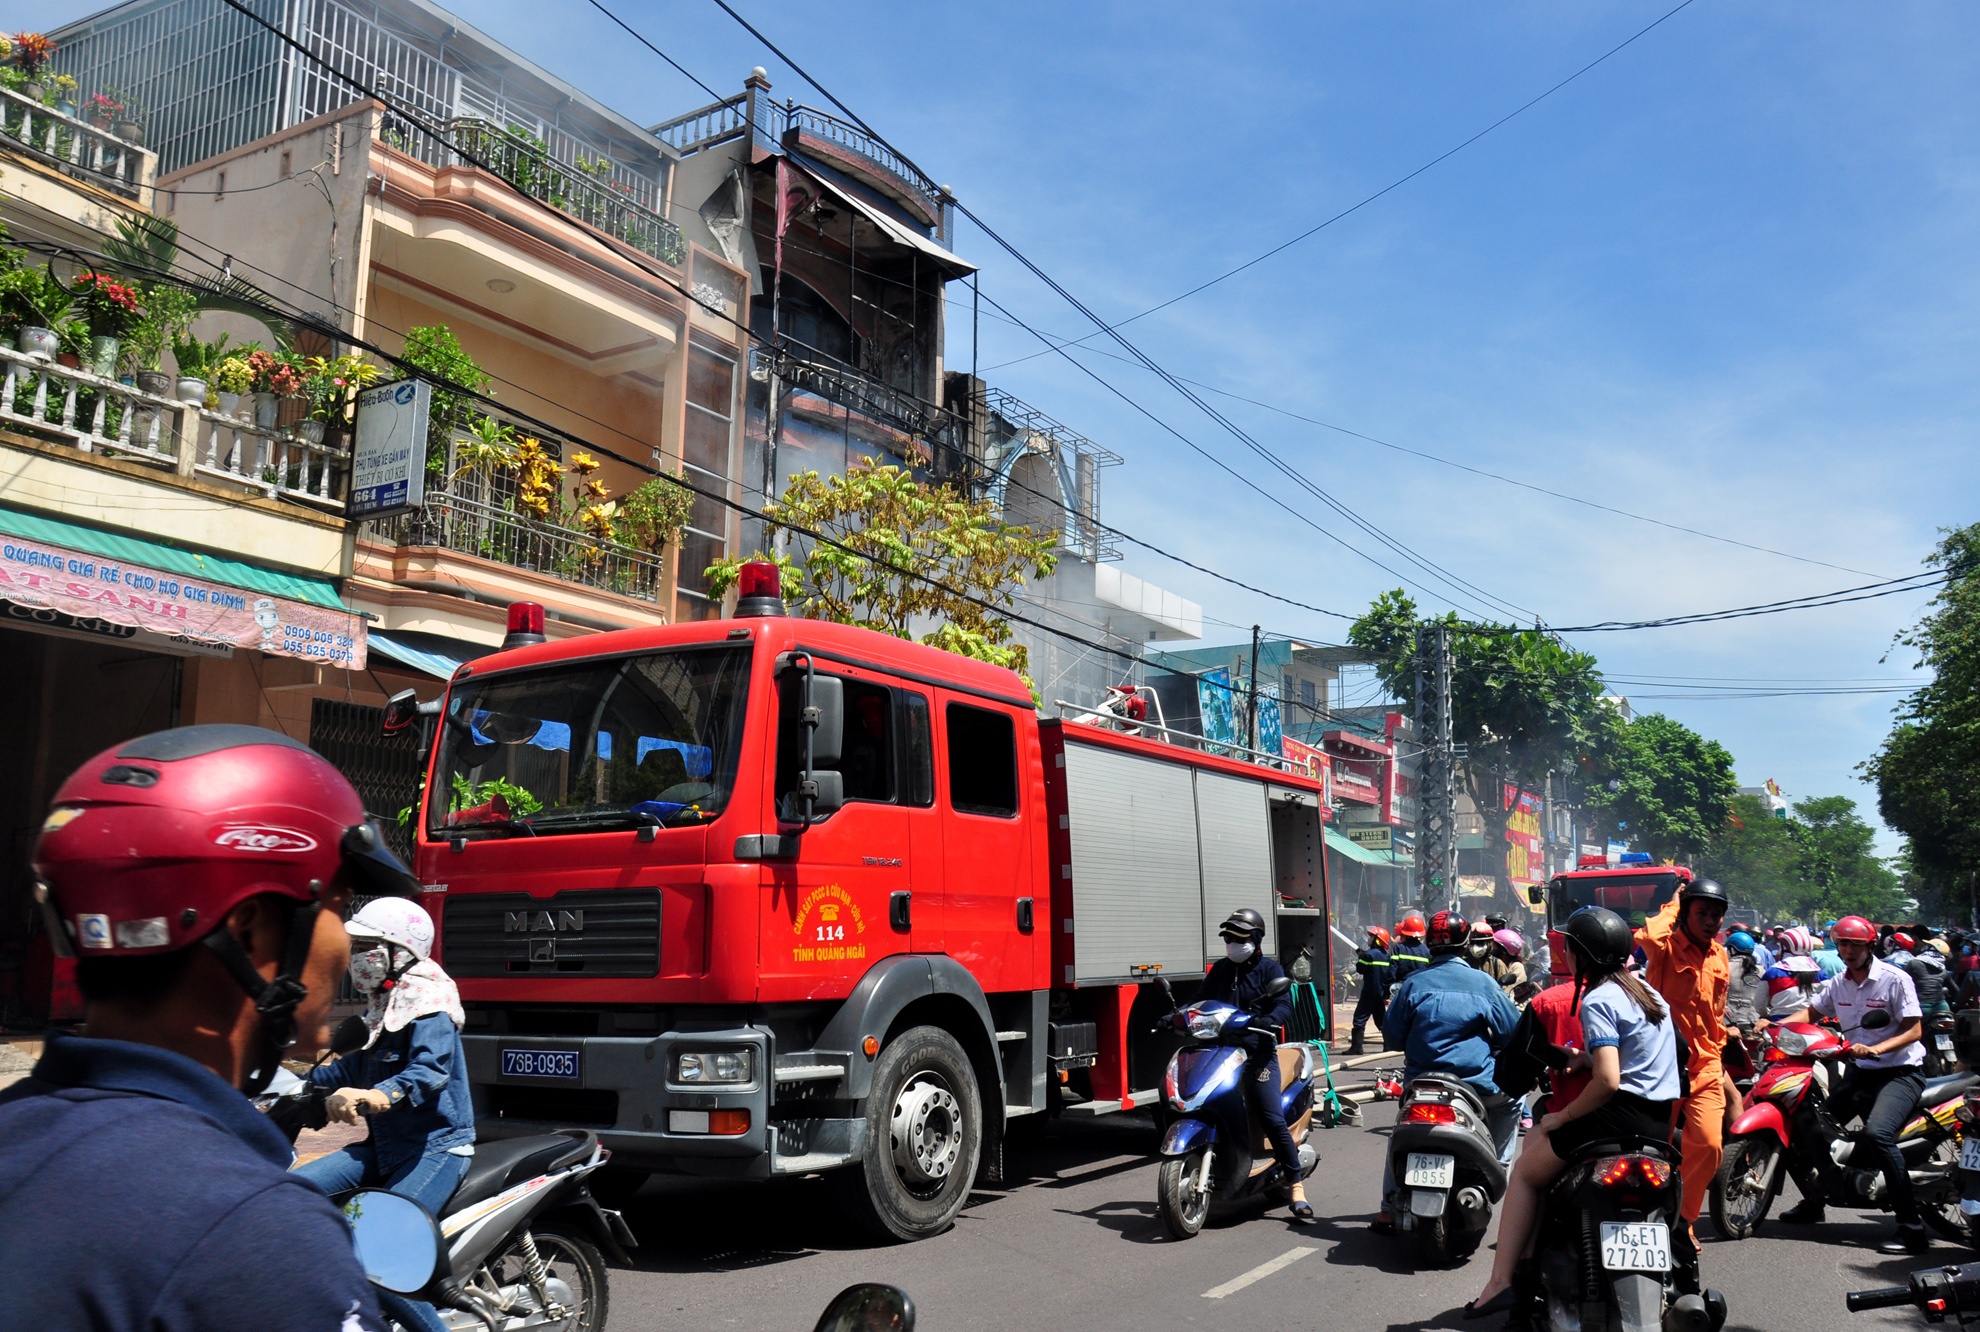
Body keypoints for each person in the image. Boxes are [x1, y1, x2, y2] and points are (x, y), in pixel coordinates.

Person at [0, 724, 422, 1332]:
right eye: (337, 907)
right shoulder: (258, 1234)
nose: (343, 946)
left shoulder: (18, 1128)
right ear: (248, 930)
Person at [1465, 906, 1684, 1320]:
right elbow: (1651, 1058)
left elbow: (1608, 1081)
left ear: (1579, 955)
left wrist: (1561, 1117)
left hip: (1611, 1120)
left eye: (1568, 947)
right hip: (1657, 1124)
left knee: (1525, 1174)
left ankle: (1500, 1283)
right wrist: (1583, 1057)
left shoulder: (1596, 999)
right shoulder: (1650, 994)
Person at [295, 900, 472, 1332]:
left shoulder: (428, 1002)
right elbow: (350, 1069)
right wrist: (291, 1087)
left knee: (379, 1255)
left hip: (435, 1150)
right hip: (385, 1147)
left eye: (367, 947)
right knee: (294, 1194)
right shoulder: (383, 1005)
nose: (357, 957)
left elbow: (430, 1071)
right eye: (356, 947)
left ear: (400, 952)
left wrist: (379, 1094)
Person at [1778, 914, 1931, 1253]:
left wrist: (1878, 1048)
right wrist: (1774, 1027)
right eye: (1843, 943)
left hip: (1900, 1072)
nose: (1847, 950)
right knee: (1806, 1130)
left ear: (1870, 946)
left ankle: (1911, 1227)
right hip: (1860, 1071)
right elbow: (1812, 1014)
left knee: (1878, 1135)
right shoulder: (1838, 983)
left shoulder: (1895, 979)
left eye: (1855, 945)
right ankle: (1815, 1201)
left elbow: (1914, 1030)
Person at [1373, 909, 1522, 1232]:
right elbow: (1512, 1033)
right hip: (1476, 1085)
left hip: (1420, 1085)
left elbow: (1392, 1037)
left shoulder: (1412, 985)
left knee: (1401, 1132)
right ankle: (1496, 1168)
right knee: (1514, 1102)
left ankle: (1386, 1208)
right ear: (1466, 944)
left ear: (1430, 945)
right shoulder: (1484, 984)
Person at [1636, 876, 1731, 1247]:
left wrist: (1721, 1048)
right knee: (1650, 1147)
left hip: (1705, 1065)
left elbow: (1716, 1014)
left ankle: (1682, 1220)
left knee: (1708, 1145)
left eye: (1715, 915)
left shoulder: (1720, 955)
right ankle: (1643, 1213)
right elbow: (1647, 936)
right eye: (1701, 912)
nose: (1709, 921)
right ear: (1686, 913)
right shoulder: (1666, 948)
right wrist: (1675, 902)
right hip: (1661, 1063)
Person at [1199, 908, 1309, 1221]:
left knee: (1271, 1117)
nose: (1232, 943)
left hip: (1258, 1056)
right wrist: (1175, 1015)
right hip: (1221, 1054)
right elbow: (1199, 999)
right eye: (1228, 937)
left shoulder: (1270, 970)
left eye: (1239, 938)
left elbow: (1284, 1005)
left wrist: (1269, 1020)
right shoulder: (1221, 969)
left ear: (1257, 939)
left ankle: (1296, 1184)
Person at [1349, 925, 1393, 1056]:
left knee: (1359, 1018)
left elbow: (1360, 969)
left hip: (1369, 992)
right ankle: (1388, 1046)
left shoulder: (1368, 955)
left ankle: (1356, 1048)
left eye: (1372, 937)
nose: (1369, 939)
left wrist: (1361, 956)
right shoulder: (1386, 956)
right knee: (1381, 1020)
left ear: (1377, 940)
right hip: (1380, 993)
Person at [1724, 931, 1766, 1035]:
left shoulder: (1724, 968)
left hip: (1729, 1022)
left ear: (1732, 949)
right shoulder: (1761, 971)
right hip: (1754, 1022)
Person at [1391, 913, 1430, 988]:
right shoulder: (1426, 950)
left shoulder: (1398, 948)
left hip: (1402, 988)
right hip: (1421, 988)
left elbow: (1392, 971)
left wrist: (1389, 989)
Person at [1491, 929, 1529, 1003]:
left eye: (1494, 948)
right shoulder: (1494, 964)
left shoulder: (1517, 967)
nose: (1492, 951)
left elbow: (1508, 993)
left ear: (1504, 951)